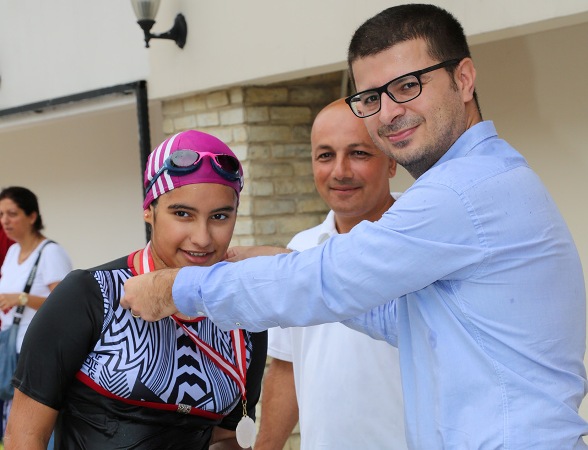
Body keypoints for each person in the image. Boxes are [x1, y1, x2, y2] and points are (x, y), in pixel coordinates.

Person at [120, 4, 588, 448]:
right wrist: (288, 260)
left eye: (408, 85)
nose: (388, 112)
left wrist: (176, 289)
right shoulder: (481, 179)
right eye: (371, 97)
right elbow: (403, 319)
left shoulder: (462, 191)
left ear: (463, 79)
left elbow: (330, 282)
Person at [4, 130, 267, 450]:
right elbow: (24, 436)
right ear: (148, 211)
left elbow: (228, 437)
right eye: (182, 214)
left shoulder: (241, 316)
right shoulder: (90, 295)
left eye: (220, 216)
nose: (202, 238)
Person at [249, 99, 407, 449]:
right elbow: (287, 368)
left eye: (359, 153)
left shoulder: (422, 246)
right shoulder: (300, 251)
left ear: (392, 160)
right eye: (325, 155)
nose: (340, 171)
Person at [0, 187, 72, 439]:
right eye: (1, 214)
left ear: (32, 216)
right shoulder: (12, 252)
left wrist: (22, 298)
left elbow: (65, 305)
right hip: (11, 346)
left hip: (37, 350)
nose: (5, 221)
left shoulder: (49, 252)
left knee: (31, 425)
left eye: (12, 213)